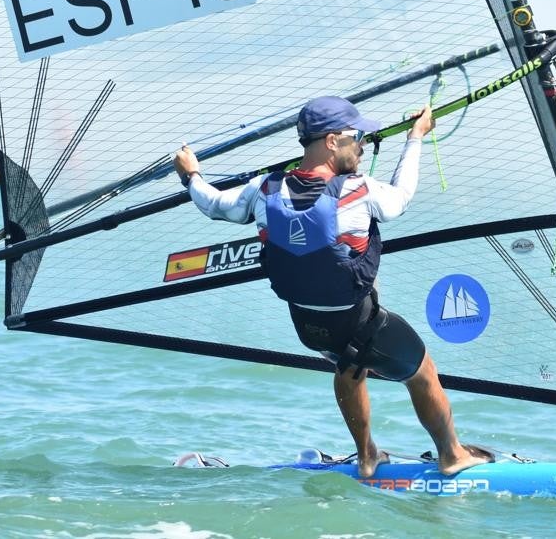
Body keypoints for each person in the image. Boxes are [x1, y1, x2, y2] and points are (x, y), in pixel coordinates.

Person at [174, 96, 490, 477]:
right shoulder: (359, 190)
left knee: (348, 362)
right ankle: (452, 454)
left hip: (309, 329)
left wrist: (190, 174)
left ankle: (367, 455)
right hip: (360, 322)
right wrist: (415, 138)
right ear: (330, 141)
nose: (360, 145)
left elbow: (212, 204)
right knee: (421, 371)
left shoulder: (263, 191)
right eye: (355, 137)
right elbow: (402, 195)